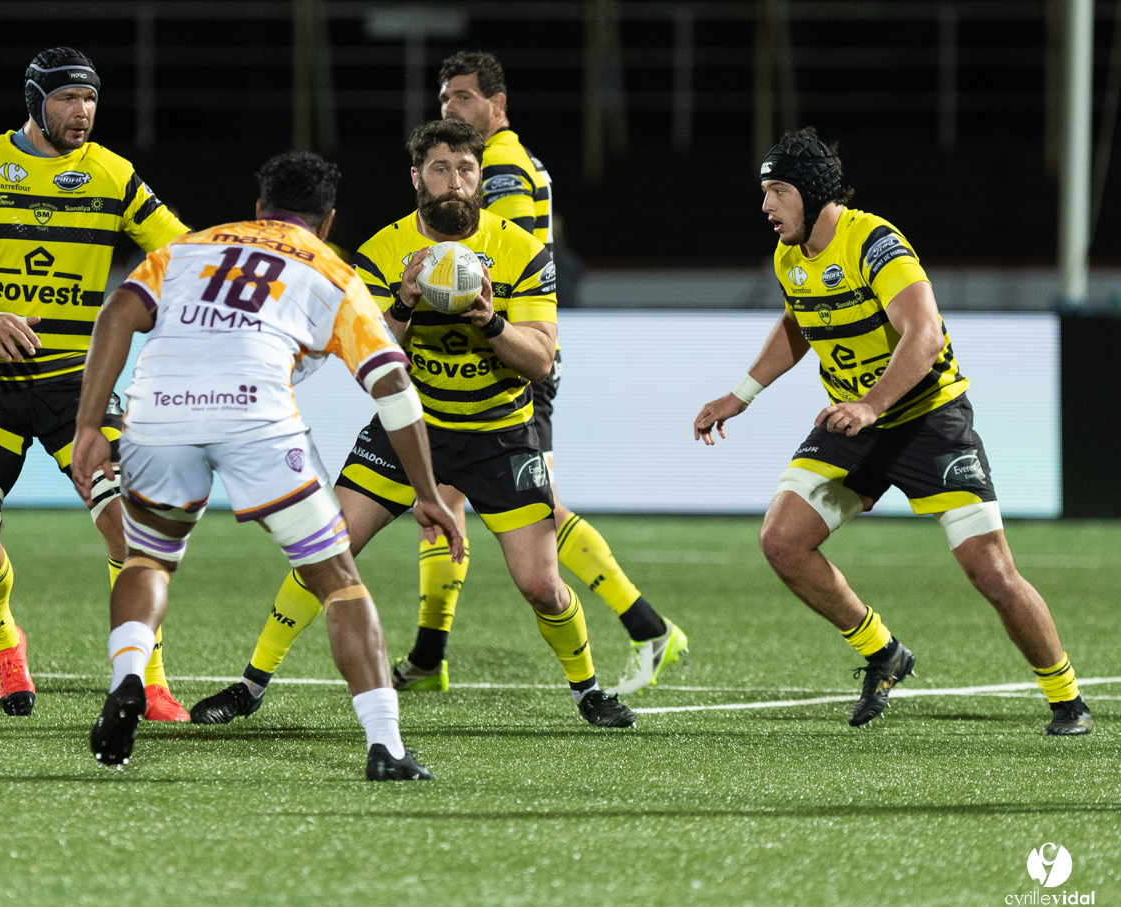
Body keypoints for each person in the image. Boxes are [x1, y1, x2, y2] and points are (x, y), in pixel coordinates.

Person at [191, 121, 637, 729]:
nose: (454, 182)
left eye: (465, 169)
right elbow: (366, 364)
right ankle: (250, 685)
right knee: (326, 550)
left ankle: (588, 692)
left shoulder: (523, 251)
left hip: (499, 434)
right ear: (415, 179)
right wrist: (402, 303)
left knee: (541, 585)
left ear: (480, 177)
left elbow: (539, 361)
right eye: (440, 169)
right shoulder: (381, 251)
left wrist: (489, 320)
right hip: (407, 431)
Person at [71, 152, 460, 778]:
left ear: (259, 208)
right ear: (327, 221)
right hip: (257, 417)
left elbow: (119, 311)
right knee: (337, 578)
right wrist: (426, 491)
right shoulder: (333, 269)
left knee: (147, 559)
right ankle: (385, 745)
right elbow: (391, 382)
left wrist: (90, 425)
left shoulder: (190, 247)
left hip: (159, 409)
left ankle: (126, 680)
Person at [693, 128, 1092, 735]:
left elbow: (925, 334)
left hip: (930, 421)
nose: (767, 206)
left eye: (777, 191)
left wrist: (872, 405)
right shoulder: (789, 257)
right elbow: (799, 322)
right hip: (857, 424)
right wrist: (740, 395)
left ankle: (1067, 699)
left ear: (812, 191)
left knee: (991, 572)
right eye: (766, 192)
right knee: (781, 541)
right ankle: (884, 653)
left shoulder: (874, 242)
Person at [0, 47, 190, 718]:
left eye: (90, 99)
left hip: (78, 387)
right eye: (68, 98)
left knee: (131, 524)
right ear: (37, 102)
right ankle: (8, 644)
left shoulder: (112, 175)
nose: (82, 111)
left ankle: (146, 676)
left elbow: (184, 251)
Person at [409, 49, 684, 696]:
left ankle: (648, 627)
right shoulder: (521, 158)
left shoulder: (497, 165)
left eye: (465, 98)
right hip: (507, 349)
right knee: (446, 502)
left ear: (497, 105)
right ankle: (428, 654)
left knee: (536, 510)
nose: (452, 108)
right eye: (446, 99)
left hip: (508, 358)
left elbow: (488, 252)